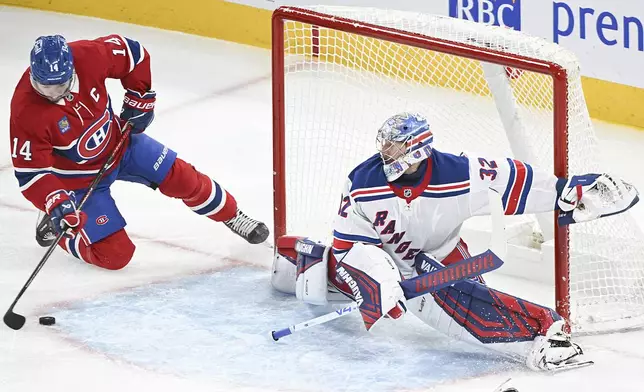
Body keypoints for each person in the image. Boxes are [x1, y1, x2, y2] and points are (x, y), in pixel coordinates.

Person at [271, 112, 639, 371]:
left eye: (395, 147)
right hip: (385, 259)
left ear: (416, 150)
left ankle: (545, 333)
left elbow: (519, 181)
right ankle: (317, 270)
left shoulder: (462, 174)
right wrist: (380, 281)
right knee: (317, 268)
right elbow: (349, 245)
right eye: (385, 145)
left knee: (464, 306)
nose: (386, 152)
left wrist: (574, 191)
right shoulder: (363, 182)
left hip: (442, 260)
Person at [10, 35, 269, 271]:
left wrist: (140, 95)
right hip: (79, 181)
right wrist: (54, 199)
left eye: (60, 86)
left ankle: (234, 216)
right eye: (46, 87)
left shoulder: (89, 55)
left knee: (185, 179)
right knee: (115, 256)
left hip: (121, 144)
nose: (54, 94)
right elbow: (32, 174)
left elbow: (134, 54)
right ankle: (65, 234)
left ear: (72, 69)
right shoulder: (25, 110)